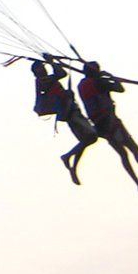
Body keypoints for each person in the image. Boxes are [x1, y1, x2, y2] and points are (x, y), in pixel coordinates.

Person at [78, 61, 138, 193]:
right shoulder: (99, 83)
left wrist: (103, 78)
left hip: (99, 124)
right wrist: (111, 77)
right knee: (133, 149)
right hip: (111, 121)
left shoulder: (82, 85)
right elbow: (120, 89)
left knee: (123, 154)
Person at [33, 56, 99, 185]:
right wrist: (51, 62)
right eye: (41, 68)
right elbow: (61, 73)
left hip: (70, 110)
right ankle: (67, 156)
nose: (44, 70)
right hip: (69, 112)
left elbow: (60, 74)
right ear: (37, 71)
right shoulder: (43, 81)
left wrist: (51, 62)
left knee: (86, 139)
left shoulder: (45, 80)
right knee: (92, 136)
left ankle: (72, 165)